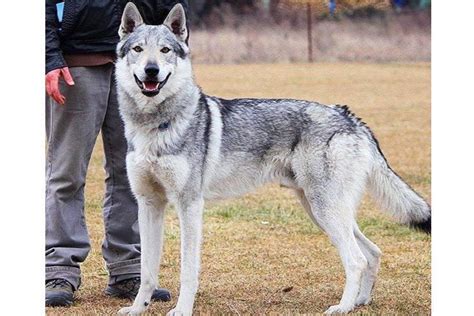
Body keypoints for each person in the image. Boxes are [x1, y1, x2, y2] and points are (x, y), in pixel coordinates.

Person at [45, 0, 189, 307]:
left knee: (131, 173)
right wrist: (48, 57)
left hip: (139, 66)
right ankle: (59, 268)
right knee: (66, 172)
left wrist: (170, 50)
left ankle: (127, 268)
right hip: (77, 59)